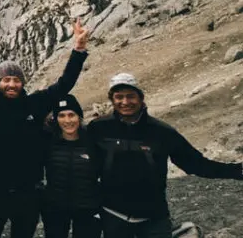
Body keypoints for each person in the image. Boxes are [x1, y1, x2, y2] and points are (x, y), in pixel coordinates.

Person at [87, 73, 243, 238]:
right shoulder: (98, 128)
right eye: (119, 97)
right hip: (113, 215)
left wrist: (237, 170)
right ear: (112, 99)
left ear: (141, 97)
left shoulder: (162, 132)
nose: (125, 102)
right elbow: (85, 167)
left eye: (131, 96)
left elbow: (195, 164)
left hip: (154, 216)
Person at [0, 19, 90, 238]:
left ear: (22, 83)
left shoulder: (35, 104)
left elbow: (64, 84)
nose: (12, 84)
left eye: (16, 80)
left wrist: (78, 49)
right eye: (6, 80)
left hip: (29, 193)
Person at [41, 94, 101, 238]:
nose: (67, 120)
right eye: (61, 115)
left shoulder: (93, 140)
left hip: (88, 208)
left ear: (79, 117)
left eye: (71, 115)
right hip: (56, 208)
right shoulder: (49, 140)